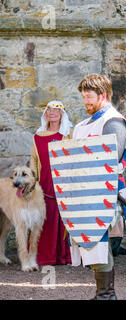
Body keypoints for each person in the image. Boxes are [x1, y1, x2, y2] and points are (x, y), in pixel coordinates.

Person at [70, 74, 126, 300]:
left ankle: (107, 295)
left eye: (89, 97)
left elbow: (109, 158)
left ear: (103, 95)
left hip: (105, 193)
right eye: (84, 97)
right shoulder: (83, 125)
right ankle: (103, 294)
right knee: (92, 244)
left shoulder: (114, 121)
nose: (85, 101)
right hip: (85, 193)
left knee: (101, 243)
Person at [30, 100, 73, 266]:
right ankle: (45, 256)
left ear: (62, 115)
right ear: (45, 114)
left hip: (64, 183)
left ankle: (64, 256)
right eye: (49, 110)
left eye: (56, 111)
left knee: (63, 220)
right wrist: (34, 182)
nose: (52, 113)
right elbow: (34, 160)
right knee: (45, 219)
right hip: (45, 185)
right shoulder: (38, 136)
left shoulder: (69, 134)